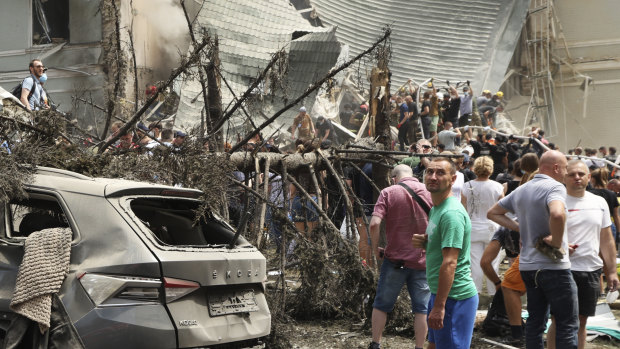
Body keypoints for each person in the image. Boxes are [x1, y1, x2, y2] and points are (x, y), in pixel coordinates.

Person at [487, 150, 578, 349]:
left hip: (528, 266)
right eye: (564, 168)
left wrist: (520, 227)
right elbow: (557, 214)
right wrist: (556, 240)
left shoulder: (522, 189)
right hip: (553, 267)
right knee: (567, 323)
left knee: (536, 323)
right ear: (556, 168)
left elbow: (493, 213)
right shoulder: (555, 187)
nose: (565, 173)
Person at [547, 160, 619, 349]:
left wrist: (611, 271)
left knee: (582, 321)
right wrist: (558, 245)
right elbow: (537, 236)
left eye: (581, 174)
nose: (577, 178)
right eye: (572, 174)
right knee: (558, 319)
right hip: (561, 269)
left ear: (589, 177)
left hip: (590, 270)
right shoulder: (555, 201)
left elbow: (607, 239)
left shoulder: (600, 202)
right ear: (564, 177)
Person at [412, 157, 478, 349]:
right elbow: (445, 247)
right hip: (439, 293)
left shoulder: (451, 214)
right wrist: (427, 242)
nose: (433, 176)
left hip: (454, 297)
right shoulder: (437, 208)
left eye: (440, 172)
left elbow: (450, 262)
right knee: (433, 345)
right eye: (430, 172)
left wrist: (440, 306)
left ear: (453, 178)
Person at [368, 164, 432, 349]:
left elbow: (374, 224)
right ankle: (419, 346)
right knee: (421, 309)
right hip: (423, 260)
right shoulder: (429, 191)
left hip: (395, 260)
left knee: (381, 304)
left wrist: (375, 250)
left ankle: (375, 344)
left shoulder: (388, 192)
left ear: (393, 177)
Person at [461, 156, 504, 295]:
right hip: (492, 228)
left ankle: (475, 294)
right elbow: (502, 209)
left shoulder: (466, 186)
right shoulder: (498, 186)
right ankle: (494, 294)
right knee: (493, 263)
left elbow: (464, 210)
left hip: (473, 227)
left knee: (475, 264)